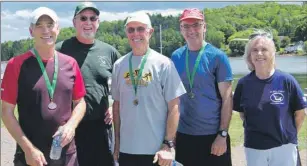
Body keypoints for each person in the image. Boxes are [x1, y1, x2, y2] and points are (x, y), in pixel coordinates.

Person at [1, 7, 86, 166]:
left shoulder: (70, 63)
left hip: (66, 154)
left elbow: (80, 102)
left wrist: (71, 125)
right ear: (31, 31)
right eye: (39, 25)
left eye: (50, 24)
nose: (46, 30)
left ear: (58, 29)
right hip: (31, 156)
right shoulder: (16, 64)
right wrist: (28, 149)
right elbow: (6, 112)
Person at [111, 12, 186, 166]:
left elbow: (174, 107)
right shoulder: (119, 65)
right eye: (131, 30)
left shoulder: (164, 64)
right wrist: (117, 142)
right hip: (127, 149)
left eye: (140, 29)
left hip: (156, 151)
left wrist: (168, 144)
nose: (135, 34)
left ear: (150, 32)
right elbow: (117, 107)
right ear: (126, 33)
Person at [55, 2, 121, 166]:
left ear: (98, 23)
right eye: (83, 18)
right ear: (74, 22)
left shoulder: (109, 51)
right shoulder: (59, 50)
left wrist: (114, 106)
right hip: (70, 126)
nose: (88, 22)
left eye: (93, 18)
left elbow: (124, 85)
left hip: (101, 126)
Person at [233, 29, 306, 166]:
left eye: (264, 49)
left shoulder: (286, 80)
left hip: (284, 147)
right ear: (249, 56)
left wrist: (288, 136)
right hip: (254, 147)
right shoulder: (243, 84)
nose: (259, 54)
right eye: (254, 50)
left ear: (272, 53)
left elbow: (300, 114)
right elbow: (243, 114)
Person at [171, 8, 233, 166]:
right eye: (186, 26)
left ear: (204, 27)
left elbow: (227, 98)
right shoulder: (176, 56)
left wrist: (222, 134)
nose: (191, 30)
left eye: (196, 25)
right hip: (184, 135)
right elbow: (172, 98)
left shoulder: (218, 57)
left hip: (213, 136)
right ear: (181, 29)